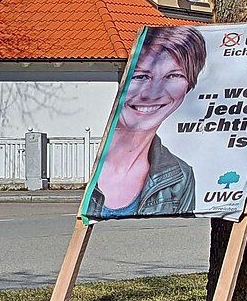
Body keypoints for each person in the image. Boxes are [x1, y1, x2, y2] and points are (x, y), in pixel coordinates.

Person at [84, 27, 206, 218]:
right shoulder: (92, 168)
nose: (153, 93)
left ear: (188, 85)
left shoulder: (181, 177)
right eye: (140, 76)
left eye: (174, 76)